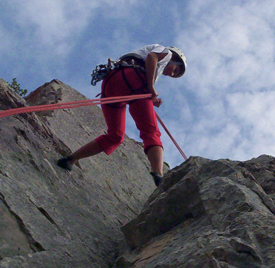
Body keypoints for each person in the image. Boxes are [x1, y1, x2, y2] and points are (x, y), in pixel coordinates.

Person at [57, 44, 187, 187]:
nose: (172, 74)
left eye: (175, 74)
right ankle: (159, 174)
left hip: (112, 84)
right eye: (176, 70)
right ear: (175, 59)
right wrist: (150, 87)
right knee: (151, 132)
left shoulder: (154, 67)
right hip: (133, 80)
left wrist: (151, 97)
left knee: (115, 136)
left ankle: (70, 160)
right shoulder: (166, 52)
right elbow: (152, 57)